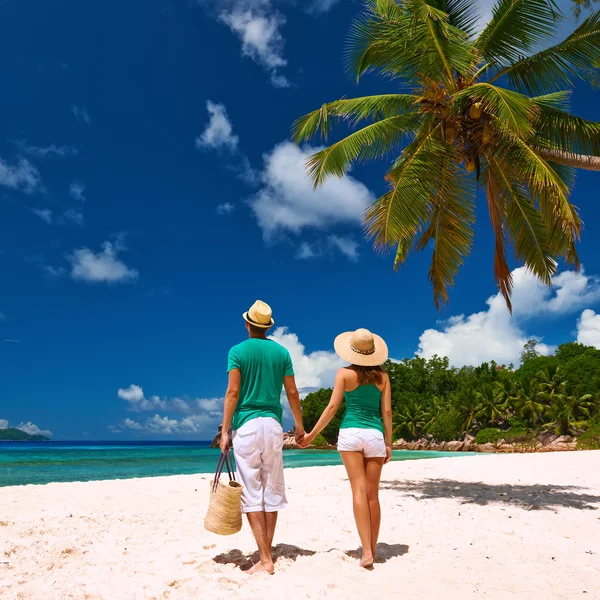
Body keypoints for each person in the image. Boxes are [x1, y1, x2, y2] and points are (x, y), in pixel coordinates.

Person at [220, 300, 304, 574]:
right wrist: (300, 427)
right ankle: (265, 552)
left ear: (247, 324)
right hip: (273, 424)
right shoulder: (281, 352)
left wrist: (224, 430)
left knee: (252, 491)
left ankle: (265, 559)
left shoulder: (237, 351)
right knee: (272, 489)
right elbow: (292, 393)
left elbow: (233, 393)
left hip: (247, 425)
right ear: (267, 327)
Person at [300, 328, 392, 569]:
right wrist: (389, 443)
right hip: (374, 435)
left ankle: (366, 553)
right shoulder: (383, 377)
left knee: (359, 492)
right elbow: (387, 412)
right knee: (373, 494)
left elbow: (331, 409)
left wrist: (311, 435)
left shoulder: (343, 374)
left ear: (352, 351)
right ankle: (372, 547)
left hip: (350, 433)